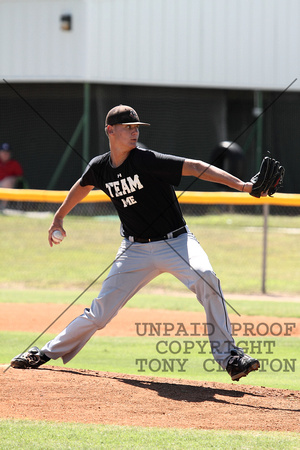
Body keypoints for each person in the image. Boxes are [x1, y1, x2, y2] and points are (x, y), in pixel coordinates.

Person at [11, 105, 260, 382]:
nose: (134, 131)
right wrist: (58, 218)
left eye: (136, 127)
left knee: (207, 278)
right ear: (110, 130)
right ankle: (44, 353)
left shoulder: (146, 160)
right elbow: (82, 185)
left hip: (175, 241)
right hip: (133, 251)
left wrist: (243, 186)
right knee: (99, 313)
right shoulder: (100, 167)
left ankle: (230, 357)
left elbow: (195, 167)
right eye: (128, 127)